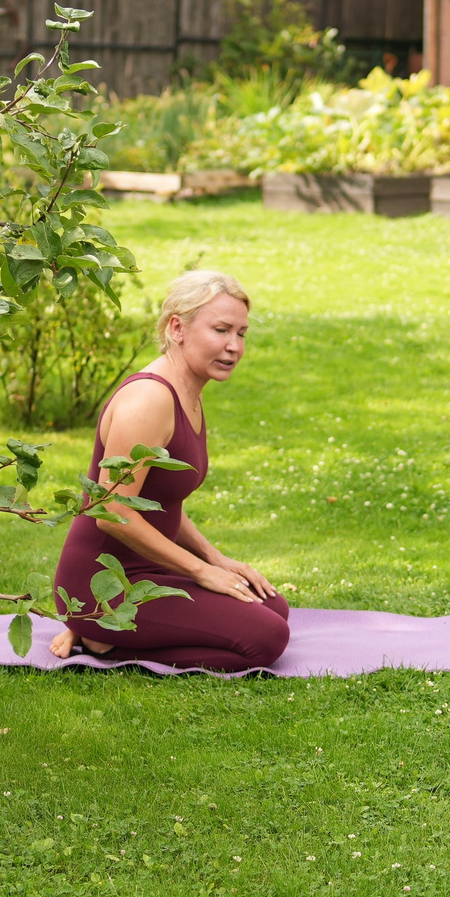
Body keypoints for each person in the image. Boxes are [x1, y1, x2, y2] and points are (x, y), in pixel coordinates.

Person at [48, 270, 289, 671]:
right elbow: (111, 512)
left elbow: (160, 502)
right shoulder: (149, 400)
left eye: (241, 333)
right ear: (177, 328)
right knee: (266, 638)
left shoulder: (188, 390)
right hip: (100, 583)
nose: (233, 346)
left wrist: (217, 560)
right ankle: (99, 639)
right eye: (221, 330)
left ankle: (102, 633)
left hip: (148, 567)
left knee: (271, 605)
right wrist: (201, 572)